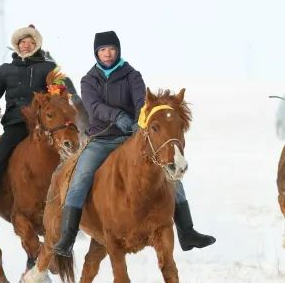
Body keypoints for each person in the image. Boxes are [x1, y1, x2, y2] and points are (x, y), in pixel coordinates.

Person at [51, 30, 216, 256]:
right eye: (103, 50)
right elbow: (94, 107)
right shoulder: (89, 80)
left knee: (169, 170)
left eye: (111, 49)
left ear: (118, 51)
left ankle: (187, 232)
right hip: (101, 138)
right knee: (80, 176)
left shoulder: (132, 75)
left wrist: (139, 122)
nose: (107, 54)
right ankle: (68, 237)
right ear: (96, 53)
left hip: (131, 137)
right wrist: (117, 116)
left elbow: (142, 102)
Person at [0, 25, 80, 225]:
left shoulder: (48, 68)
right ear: (16, 45)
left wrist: (56, 95)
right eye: (23, 42)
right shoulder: (6, 70)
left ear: (37, 46)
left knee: (72, 159)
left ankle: (76, 209)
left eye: (30, 42)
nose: (26, 45)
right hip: (16, 124)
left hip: (46, 126)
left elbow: (62, 93)